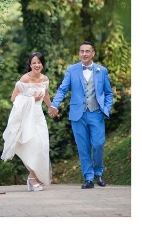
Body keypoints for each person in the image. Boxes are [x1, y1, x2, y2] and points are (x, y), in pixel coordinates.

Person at [51, 41, 114, 189]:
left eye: (87, 51)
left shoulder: (102, 70)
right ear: (79, 53)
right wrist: (54, 104)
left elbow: (109, 93)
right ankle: (89, 178)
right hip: (77, 115)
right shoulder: (71, 70)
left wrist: (106, 108)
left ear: (93, 53)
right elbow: (62, 89)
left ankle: (98, 172)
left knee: (98, 144)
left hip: (96, 113)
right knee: (83, 147)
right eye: (82, 51)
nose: (84, 54)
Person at [1, 52, 56, 192]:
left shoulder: (45, 79)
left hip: (39, 117)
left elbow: (46, 94)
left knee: (42, 146)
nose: (37, 65)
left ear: (42, 64)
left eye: (39, 62)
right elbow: (13, 98)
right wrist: (31, 98)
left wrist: (51, 107)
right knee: (32, 146)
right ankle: (32, 178)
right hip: (26, 117)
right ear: (30, 65)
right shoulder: (24, 79)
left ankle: (32, 178)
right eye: (34, 63)